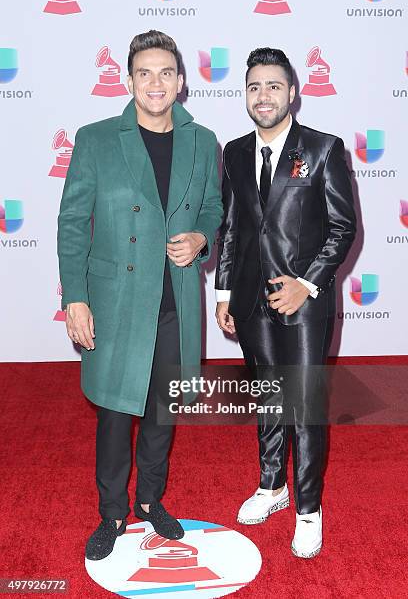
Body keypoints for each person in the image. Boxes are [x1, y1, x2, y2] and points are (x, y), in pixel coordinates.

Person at [57, 30, 223, 561]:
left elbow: (215, 211)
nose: (156, 83)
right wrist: (75, 297)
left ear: (180, 81)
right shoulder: (96, 138)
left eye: (166, 72)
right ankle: (112, 512)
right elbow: (71, 224)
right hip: (115, 300)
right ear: (128, 81)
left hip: (173, 299)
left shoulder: (203, 141)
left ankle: (150, 501)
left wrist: (200, 239)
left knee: (161, 409)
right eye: (145, 73)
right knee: (113, 412)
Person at [215, 48, 356, 558]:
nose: (264, 96)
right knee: (267, 398)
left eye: (273, 86)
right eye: (254, 87)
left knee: (303, 405)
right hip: (251, 300)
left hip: (304, 304)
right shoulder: (232, 151)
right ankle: (272, 486)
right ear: (245, 95)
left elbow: (343, 228)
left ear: (293, 92)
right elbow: (231, 227)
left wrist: (309, 283)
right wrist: (226, 291)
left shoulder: (321, 148)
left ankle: (309, 508)